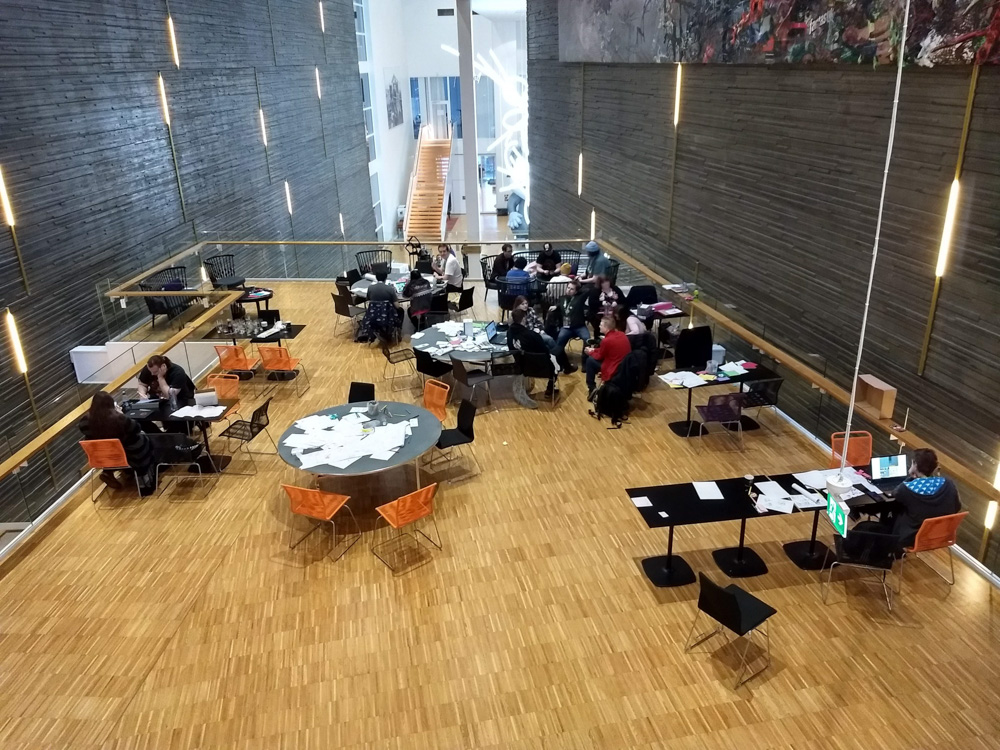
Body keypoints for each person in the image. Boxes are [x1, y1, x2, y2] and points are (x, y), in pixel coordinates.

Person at [79, 391, 156, 493]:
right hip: (128, 456)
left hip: (103, 457)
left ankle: (108, 471)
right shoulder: (119, 419)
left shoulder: (84, 422)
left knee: (108, 446)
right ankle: (141, 473)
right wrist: (121, 414)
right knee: (142, 437)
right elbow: (136, 428)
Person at [514, 296, 575, 373]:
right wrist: (533, 332)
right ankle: (565, 365)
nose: (525, 305)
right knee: (550, 340)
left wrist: (541, 329)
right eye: (522, 304)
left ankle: (561, 364)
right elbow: (521, 330)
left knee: (551, 344)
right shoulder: (517, 315)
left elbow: (538, 322)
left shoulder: (530, 310)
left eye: (526, 303)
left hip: (538, 332)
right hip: (530, 337)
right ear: (518, 305)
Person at [508, 307, 560, 398]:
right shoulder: (532, 335)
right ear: (523, 319)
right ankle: (550, 388)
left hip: (520, 365)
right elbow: (544, 352)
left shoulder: (509, 333)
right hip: (539, 366)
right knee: (556, 357)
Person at [584, 315, 631, 397]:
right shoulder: (622, 334)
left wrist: (590, 352)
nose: (599, 326)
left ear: (606, 328)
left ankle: (591, 388)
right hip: (624, 366)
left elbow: (599, 356)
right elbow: (606, 350)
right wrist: (594, 350)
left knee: (590, 361)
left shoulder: (606, 341)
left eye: (601, 325)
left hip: (614, 368)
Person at [553, 280, 591, 356]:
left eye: (572, 289)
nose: (569, 290)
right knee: (560, 338)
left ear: (576, 291)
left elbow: (588, 290)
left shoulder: (580, 298)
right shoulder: (562, 298)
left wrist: (579, 285)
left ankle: (585, 361)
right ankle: (560, 359)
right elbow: (560, 304)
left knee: (587, 339)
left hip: (579, 326)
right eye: (568, 288)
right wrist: (556, 306)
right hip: (566, 327)